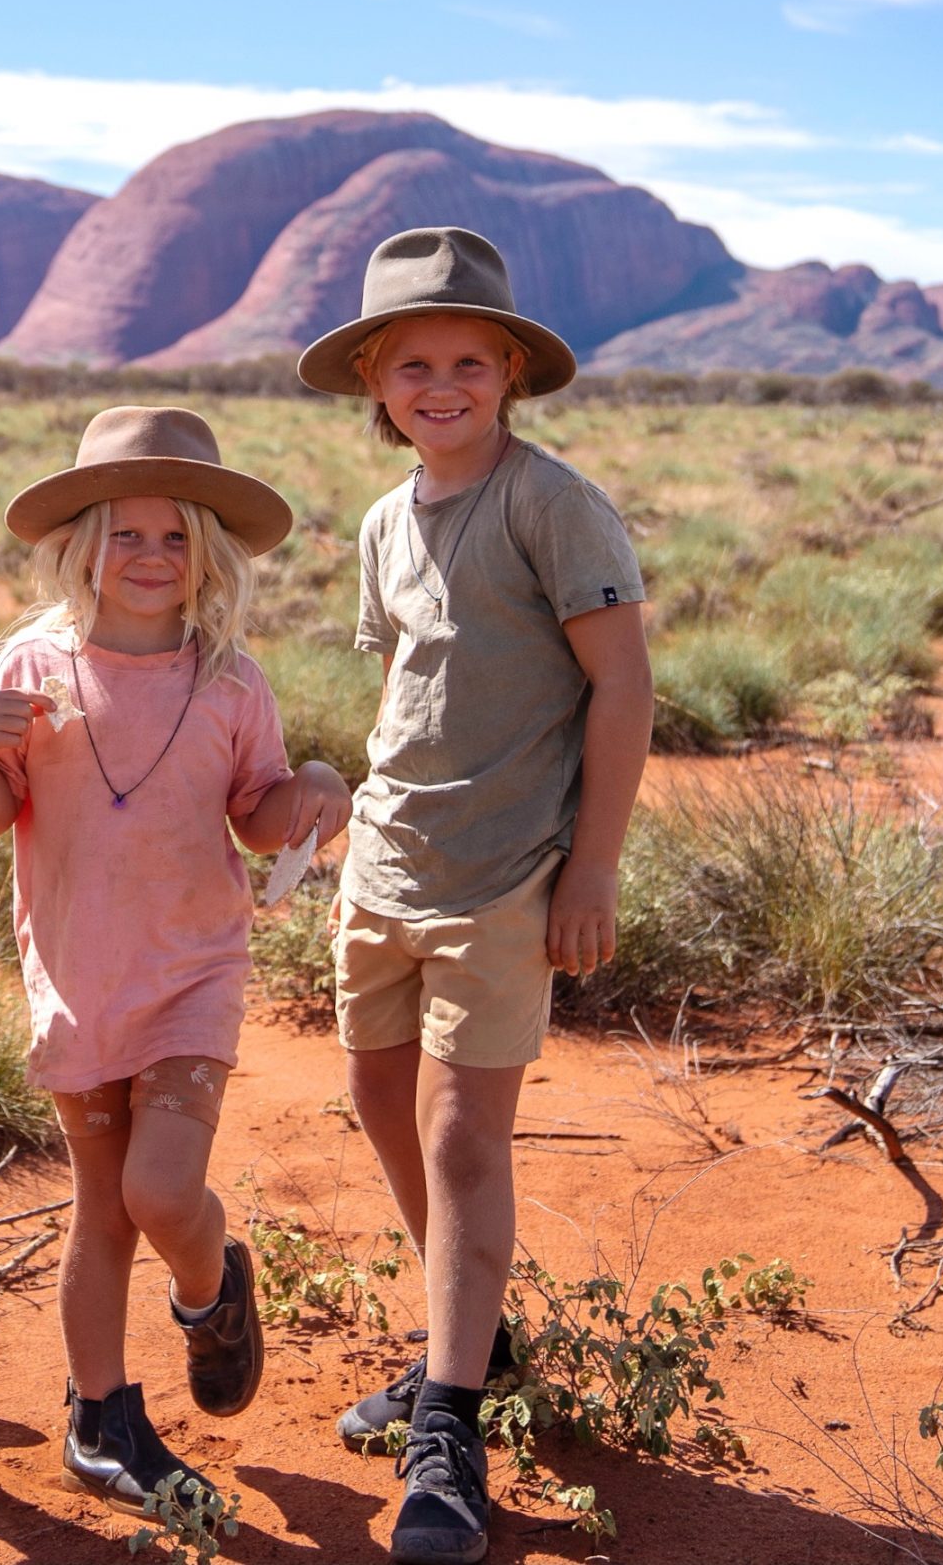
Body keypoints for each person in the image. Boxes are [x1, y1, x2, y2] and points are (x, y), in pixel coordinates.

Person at [297, 230, 654, 1563]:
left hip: (505, 879)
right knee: (376, 1106)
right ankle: (479, 1336)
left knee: (459, 1140)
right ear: (375, 386)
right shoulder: (387, 519)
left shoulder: (550, 504)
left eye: (462, 361)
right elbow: (412, 682)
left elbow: (619, 685)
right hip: (385, 864)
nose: (436, 384)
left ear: (505, 371)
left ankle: (447, 1421)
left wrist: (591, 865)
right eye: (410, 366)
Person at [0, 406, 352, 1519]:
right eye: (125, 535)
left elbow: (262, 818)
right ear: (81, 545)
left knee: (163, 1190)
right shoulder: (31, 668)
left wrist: (311, 783)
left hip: (191, 971)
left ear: (207, 556)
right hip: (79, 974)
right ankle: (101, 1418)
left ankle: (211, 1287)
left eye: (175, 538)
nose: (150, 558)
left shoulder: (230, 682)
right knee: (103, 1211)